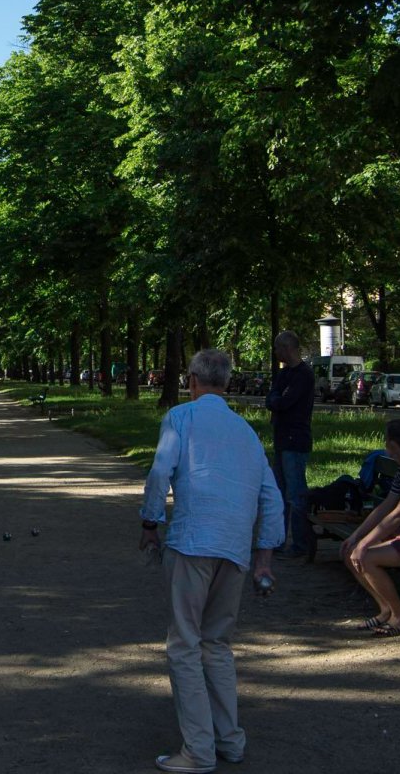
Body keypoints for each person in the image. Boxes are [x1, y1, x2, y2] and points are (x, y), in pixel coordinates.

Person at [140, 349, 282, 774]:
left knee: (184, 644)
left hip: (192, 540)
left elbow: (160, 472)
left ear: (192, 380)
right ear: (227, 383)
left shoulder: (180, 419)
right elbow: (271, 497)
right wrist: (265, 557)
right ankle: (229, 739)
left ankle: (198, 751)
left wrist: (150, 522)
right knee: (216, 644)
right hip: (235, 548)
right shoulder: (247, 433)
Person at [340, 418, 400, 636]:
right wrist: (356, 537)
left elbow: (398, 514)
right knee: (350, 553)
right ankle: (385, 609)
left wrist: (364, 545)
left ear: (392, 445)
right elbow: (386, 507)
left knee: (365, 557)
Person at [264, 330, 314, 557]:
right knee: (280, 492)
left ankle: (301, 543)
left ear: (287, 348)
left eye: (277, 348)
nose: (276, 353)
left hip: (296, 439)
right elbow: (272, 398)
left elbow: (284, 402)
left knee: (295, 493)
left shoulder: (304, 375)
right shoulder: (283, 375)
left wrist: (277, 401)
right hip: (282, 438)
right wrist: (276, 400)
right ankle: (279, 540)